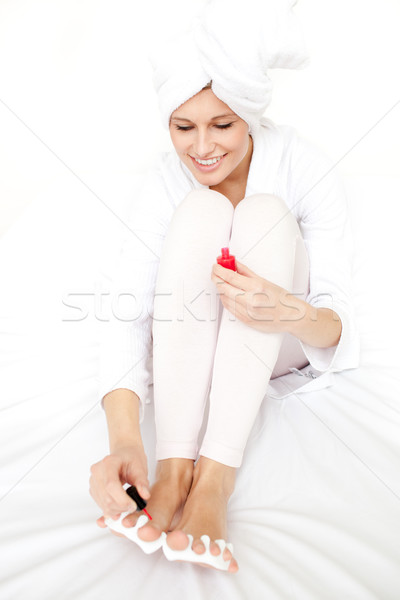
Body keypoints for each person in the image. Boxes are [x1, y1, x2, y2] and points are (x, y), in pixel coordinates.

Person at [89, 0, 360, 573]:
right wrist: (125, 441)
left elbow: (338, 320)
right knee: (200, 208)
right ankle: (174, 468)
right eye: (183, 127)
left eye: (223, 125)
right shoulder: (167, 182)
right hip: (190, 336)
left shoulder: (303, 166)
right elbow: (126, 311)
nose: (203, 148)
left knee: (262, 214)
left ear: (251, 117)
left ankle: (215, 480)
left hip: (279, 341)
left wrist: (288, 311)